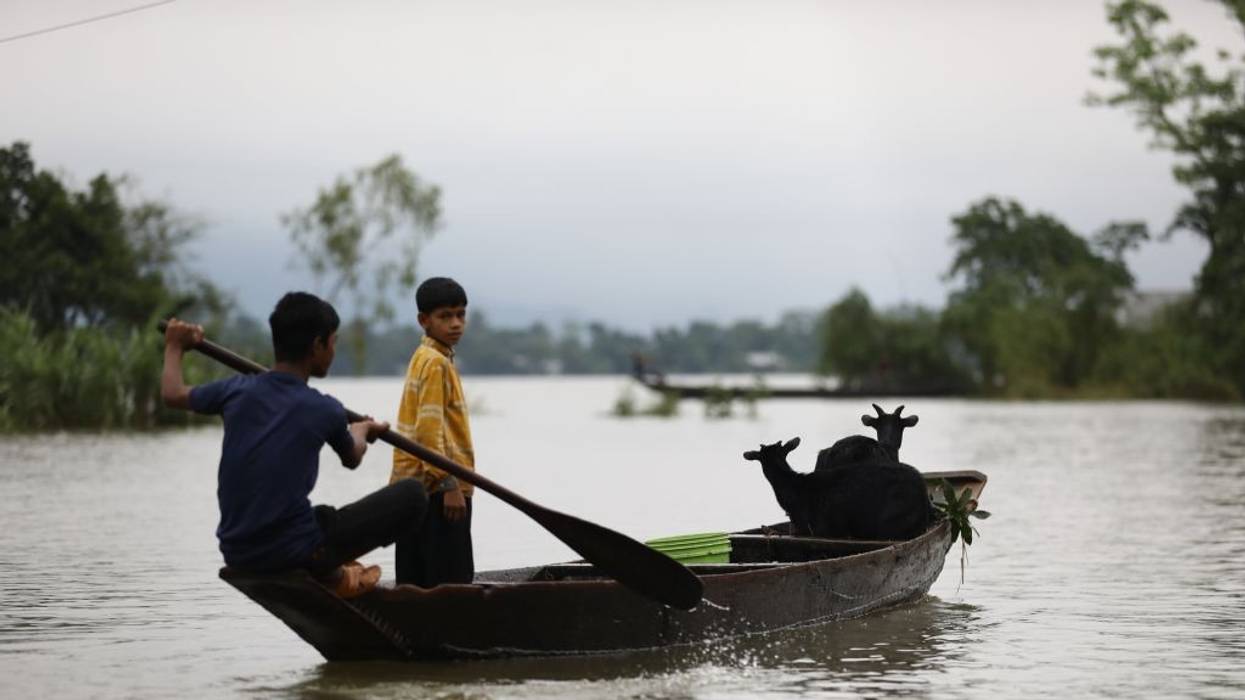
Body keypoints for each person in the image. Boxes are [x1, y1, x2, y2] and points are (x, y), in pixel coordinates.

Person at [161, 291, 428, 598]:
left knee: (321, 517)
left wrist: (174, 345)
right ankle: (337, 576)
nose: (333, 349)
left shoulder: (237, 390)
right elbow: (353, 457)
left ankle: (335, 569)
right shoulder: (324, 408)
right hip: (291, 551)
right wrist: (362, 430)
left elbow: (172, 393)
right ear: (317, 345)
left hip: (236, 550)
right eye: (333, 341)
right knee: (413, 494)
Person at [390, 277, 476, 587]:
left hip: (416, 491)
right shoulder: (436, 363)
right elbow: (427, 434)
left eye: (460, 315)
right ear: (423, 320)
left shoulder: (424, 356)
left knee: (416, 581)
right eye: (445, 316)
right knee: (451, 582)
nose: (455, 324)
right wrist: (449, 483)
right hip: (439, 492)